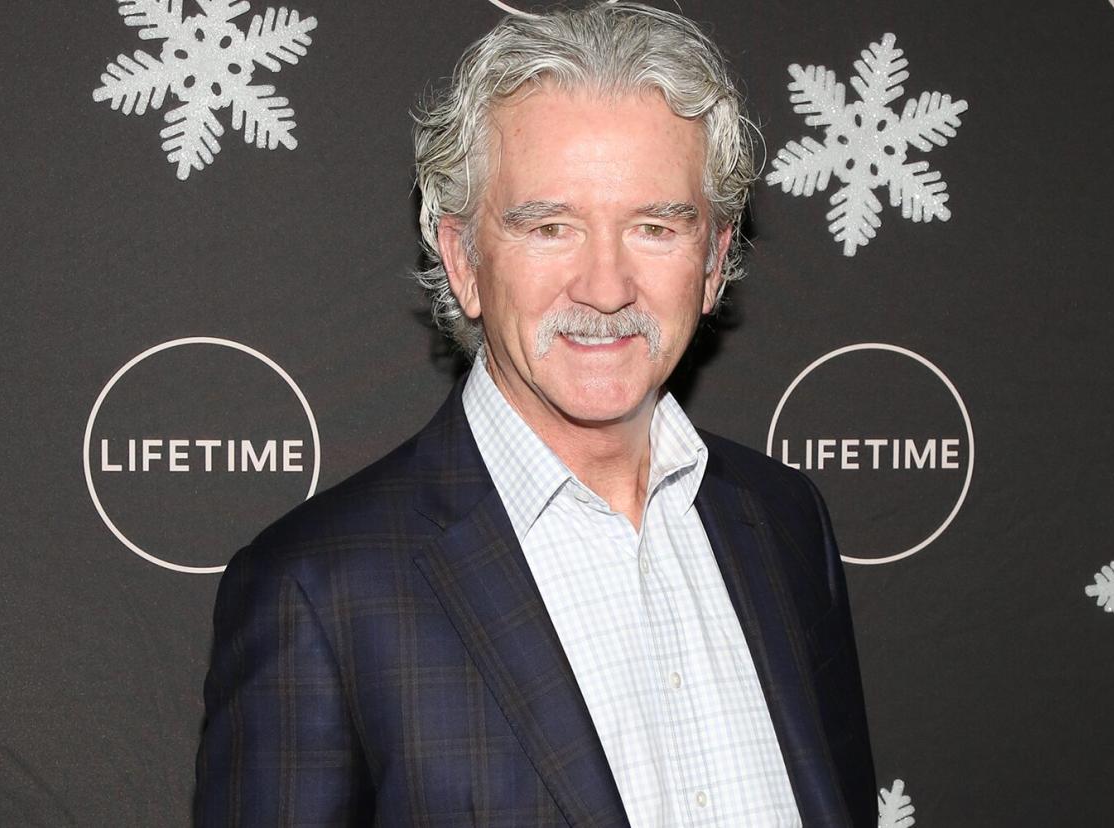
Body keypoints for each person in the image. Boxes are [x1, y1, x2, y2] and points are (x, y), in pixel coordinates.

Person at [195, 3, 876, 825]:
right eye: (550, 227)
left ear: (714, 259)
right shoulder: (318, 592)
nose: (605, 286)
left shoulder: (785, 522)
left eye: (656, 227)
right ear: (462, 259)